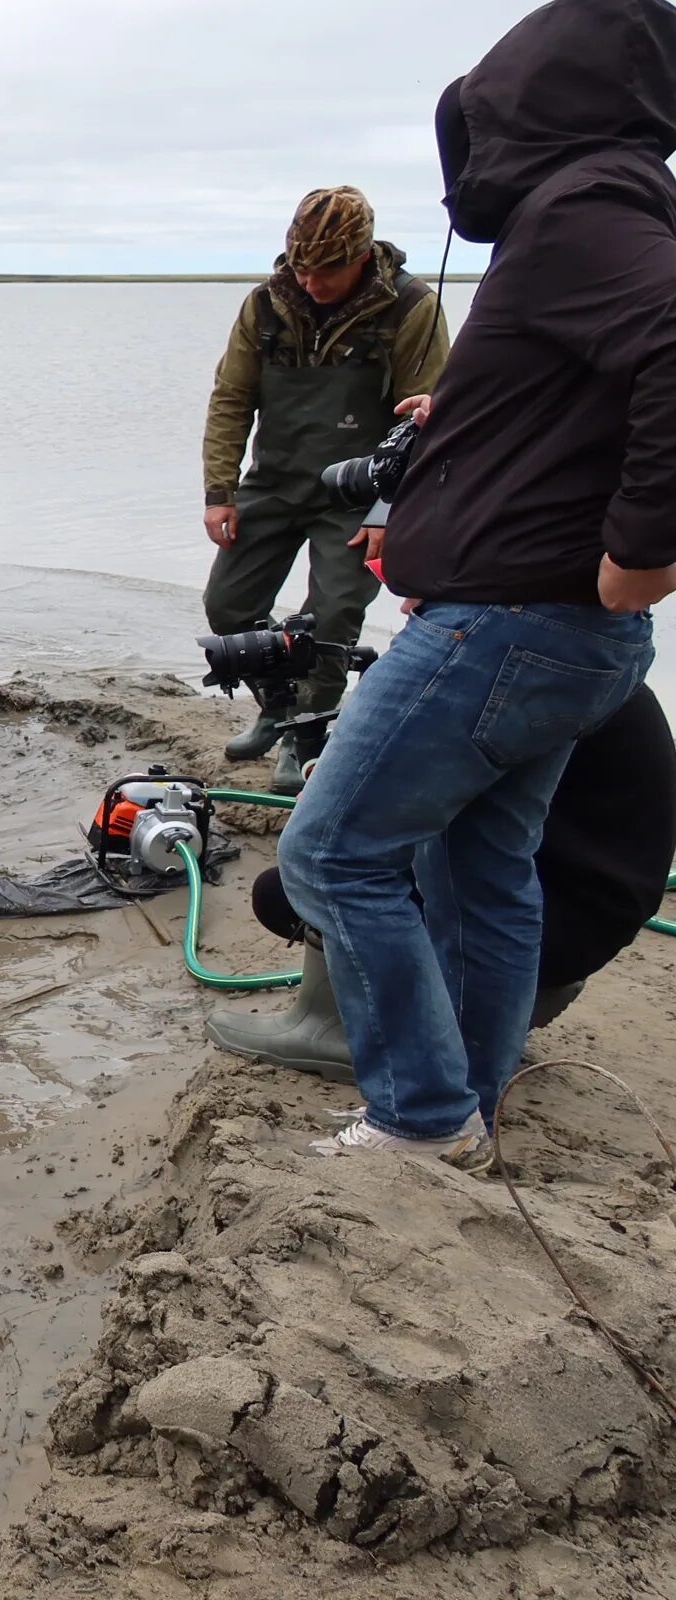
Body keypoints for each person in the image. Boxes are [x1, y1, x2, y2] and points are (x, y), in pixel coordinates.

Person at [278, 0, 676, 1163]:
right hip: (560, 636)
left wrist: (644, 549)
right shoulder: (615, 204)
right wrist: (468, 418)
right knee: (482, 864)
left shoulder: (579, 207)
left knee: (329, 852)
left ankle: (420, 1114)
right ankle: (474, 1100)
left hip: (506, 628)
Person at [213, 686, 676, 1077]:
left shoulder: (512, 669)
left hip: (550, 922)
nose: (406, 606)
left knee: (316, 873)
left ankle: (339, 1033)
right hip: (586, 914)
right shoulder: (584, 660)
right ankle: (500, 1007)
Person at [201, 189, 451, 794]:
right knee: (227, 607)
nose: (311, 282)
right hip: (274, 481)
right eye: (302, 267)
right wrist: (219, 489)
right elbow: (231, 398)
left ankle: (306, 738)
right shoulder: (265, 304)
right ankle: (277, 706)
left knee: (334, 616)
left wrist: (389, 510)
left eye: (327, 270)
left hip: (359, 492)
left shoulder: (411, 308)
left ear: (362, 255)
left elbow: (431, 420)